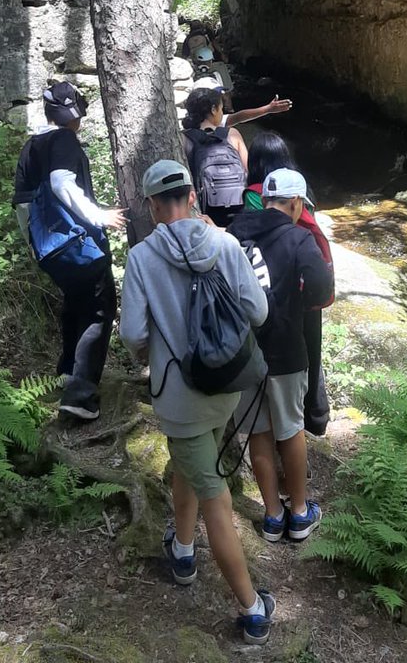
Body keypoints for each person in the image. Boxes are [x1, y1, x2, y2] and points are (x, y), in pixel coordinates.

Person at [119, 161, 277, 645]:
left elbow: (132, 334)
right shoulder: (226, 244)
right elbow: (259, 310)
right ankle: (184, 553)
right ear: (192, 195)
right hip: (225, 387)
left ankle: (252, 612)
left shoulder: (143, 258)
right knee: (189, 468)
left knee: (215, 496)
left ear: (151, 206)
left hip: (179, 396)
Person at [228, 168, 334, 544]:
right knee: (290, 430)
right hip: (287, 350)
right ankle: (301, 513)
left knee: (258, 432)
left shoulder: (234, 232)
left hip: (242, 353)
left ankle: (273, 516)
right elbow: (322, 292)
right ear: (293, 203)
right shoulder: (299, 238)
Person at [13, 81, 126, 421]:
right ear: (72, 113)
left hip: (50, 251)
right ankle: (80, 396)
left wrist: (34, 246)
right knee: (100, 309)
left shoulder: (30, 147)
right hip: (79, 243)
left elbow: (22, 204)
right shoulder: (62, 139)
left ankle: (66, 372)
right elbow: (62, 181)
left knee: (75, 304)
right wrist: (99, 216)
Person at [244, 133, 334, 437]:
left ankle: (278, 428)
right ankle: (316, 417)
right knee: (311, 353)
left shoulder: (254, 198)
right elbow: (321, 283)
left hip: (271, 295)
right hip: (305, 295)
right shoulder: (300, 193)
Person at [182, 87, 248, 227]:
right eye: (221, 109)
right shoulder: (232, 134)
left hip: (205, 214)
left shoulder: (184, 139)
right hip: (239, 210)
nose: (222, 113)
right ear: (213, 109)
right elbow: (248, 170)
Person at [187, 78, 293, 130]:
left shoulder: (194, 127)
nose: (222, 105)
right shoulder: (216, 124)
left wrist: (268, 109)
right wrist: (268, 109)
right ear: (213, 109)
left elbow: (239, 116)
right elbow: (238, 117)